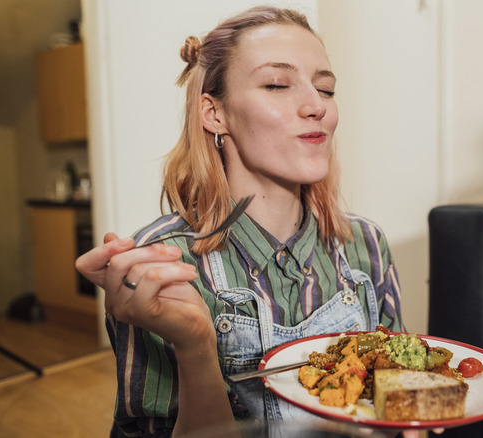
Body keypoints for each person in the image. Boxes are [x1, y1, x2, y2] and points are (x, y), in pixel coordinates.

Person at [75, 6, 408, 437]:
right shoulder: (164, 266)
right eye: (276, 84)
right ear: (214, 113)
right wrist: (195, 346)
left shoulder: (367, 243)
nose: (316, 106)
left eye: (325, 89)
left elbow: (398, 399)